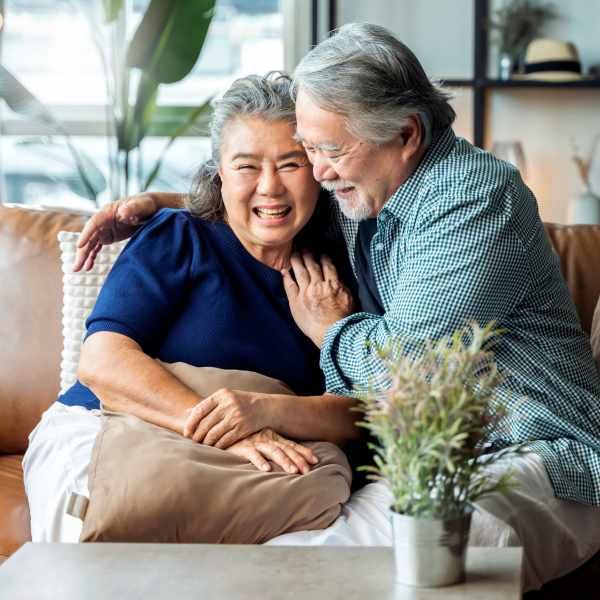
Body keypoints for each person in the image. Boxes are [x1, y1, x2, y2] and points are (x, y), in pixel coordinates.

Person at [79, 24, 600, 592]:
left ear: (405, 133)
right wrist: (163, 203)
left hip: (538, 455)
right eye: (312, 149)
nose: (320, 171)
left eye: (326, 151)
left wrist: (331, 328)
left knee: (342, 570)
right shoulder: (370, 187)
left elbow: (402, 372)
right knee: (294, 559)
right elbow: (268, 195)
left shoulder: (472, 203)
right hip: (431, 454)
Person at [23, 72, 363, 545]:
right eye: (246, 166)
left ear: (319, 170)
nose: (270, 188)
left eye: (291, 164)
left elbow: (359, 414)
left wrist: (266, 408)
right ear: (218, 172)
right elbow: (102, 361)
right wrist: (228, 430)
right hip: (118, 425)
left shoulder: (338, 273)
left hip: (263, 455)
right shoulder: (181, 236)